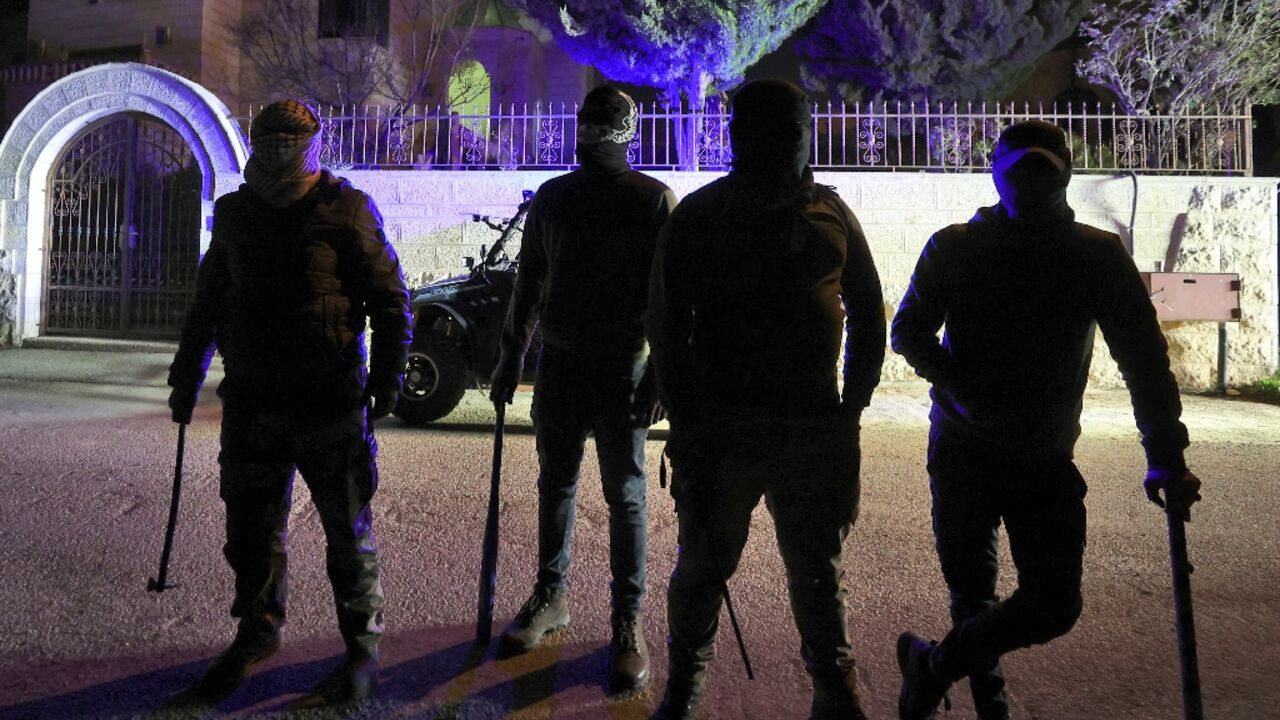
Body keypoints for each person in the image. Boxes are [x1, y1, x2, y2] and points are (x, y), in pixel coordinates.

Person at [890, 120, 1202, 720]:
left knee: (1054, 604)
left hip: (1044, 456)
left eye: (1041, 172)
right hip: (964, 450)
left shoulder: (1094, 256)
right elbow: (908, 331)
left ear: (1064, 177)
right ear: (996, 175)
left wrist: (1166, 453)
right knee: (972, 595)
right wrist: (966, 386)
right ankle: (993, 709)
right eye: (1017, 172)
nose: (1028, 185)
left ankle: (931, 667)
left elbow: (1143, 360)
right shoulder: (955, 246)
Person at [647, 79, 886, 720]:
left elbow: (869, 310)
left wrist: (851, 410)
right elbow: (667, 328)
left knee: (816, 572)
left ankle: (834, 697)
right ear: (742, 138)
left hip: (812, 427)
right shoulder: (700, 217)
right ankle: (683, 691)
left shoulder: (830, 212)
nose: (789, 144)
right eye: (776, 132)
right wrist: (689, 423)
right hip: (725, 430)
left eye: (794, 130)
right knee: (703, 569)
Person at [166, 100, 411, 709]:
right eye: (267, 140)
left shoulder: (346, 209)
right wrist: (185, 374)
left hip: (329, 402)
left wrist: (386, 379)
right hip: (252, 403)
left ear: (312, 144)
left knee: (346, 535)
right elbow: (209, 300)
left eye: (289, 140)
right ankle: (257, 631)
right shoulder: (236, 212)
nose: (277, 151)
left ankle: (361, 650)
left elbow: (390, 300)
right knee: (250, 534)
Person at [489, 85, 676, 695]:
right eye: (589, 123)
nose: (594, 134)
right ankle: (551, 596)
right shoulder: (554, 197)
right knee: (557, 484)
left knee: (625, 496)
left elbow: (670, 300)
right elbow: (530, 283)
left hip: (623, 368)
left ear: (623, 132)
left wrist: (659, 376)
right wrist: (509, 356)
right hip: (562, 367)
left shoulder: (652, 202)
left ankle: (627, 620)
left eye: (604, 125)